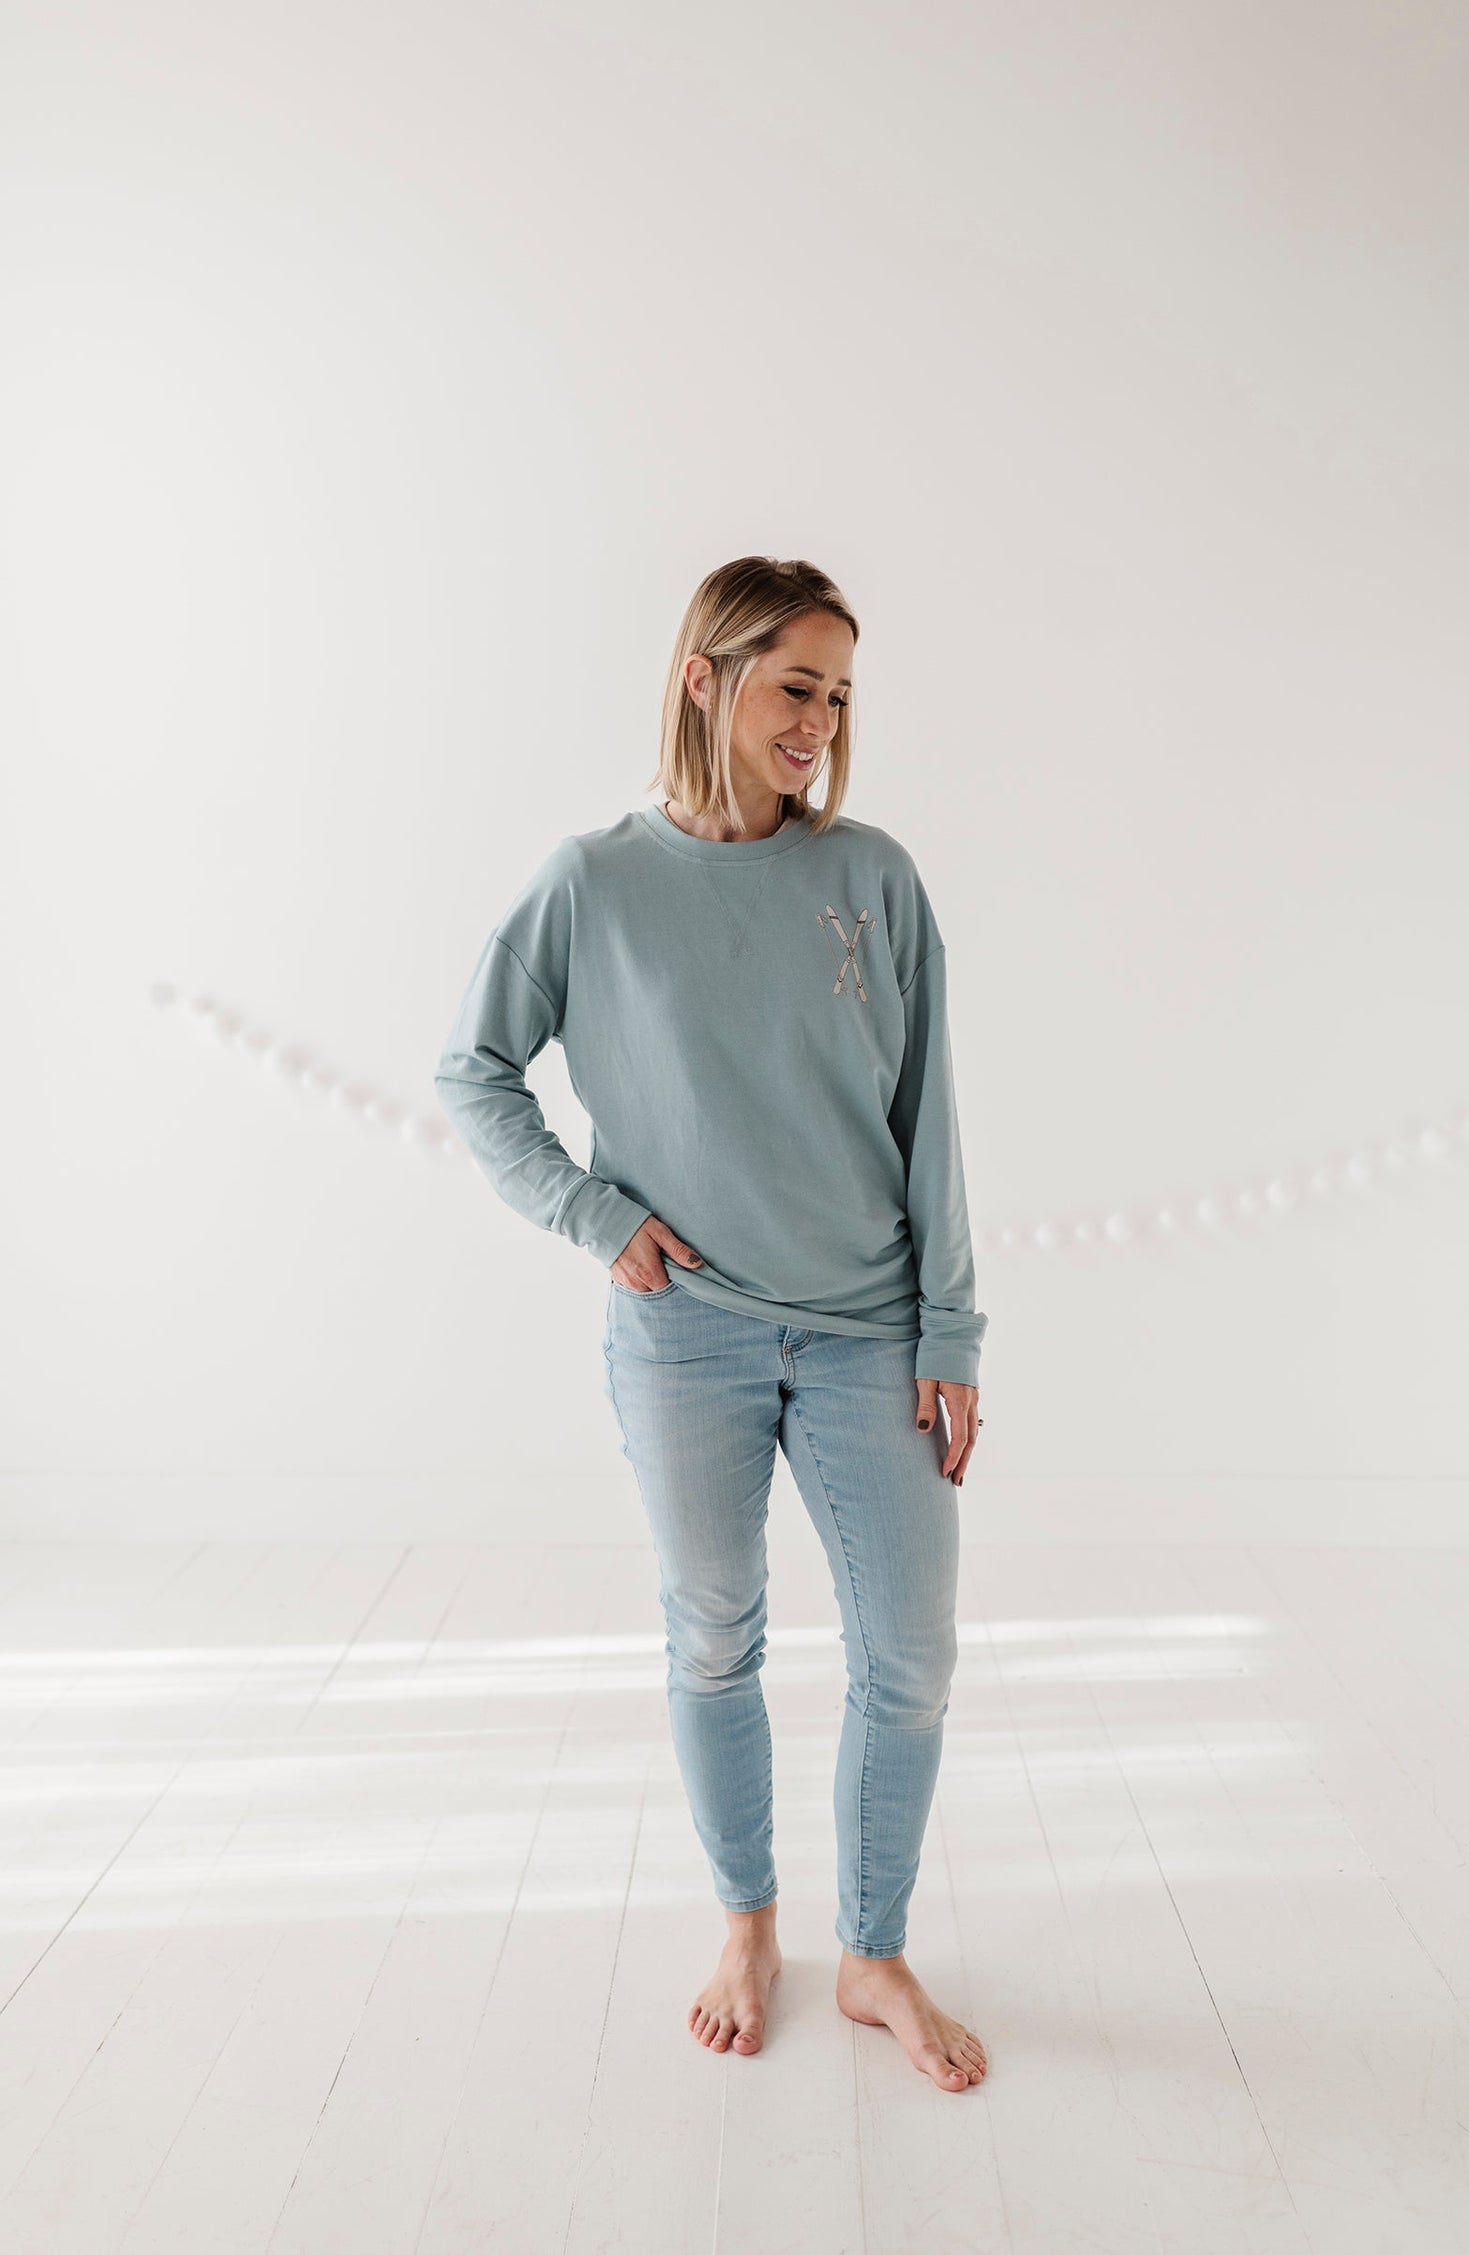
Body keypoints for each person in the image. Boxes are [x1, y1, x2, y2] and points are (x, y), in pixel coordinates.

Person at [434, 555, 989, 2093]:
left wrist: (953, 1331)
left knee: (912, 1656)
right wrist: (593, 1216)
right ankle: (748, 1925)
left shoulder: (874, 878)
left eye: (840, 696)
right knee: (715, 1634)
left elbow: (931, 1118)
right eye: (797, 686)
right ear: (707, 677)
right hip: (686, 1333)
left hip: (872, 1329)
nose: (821, 723)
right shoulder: (593, 882)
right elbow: (473, 1071)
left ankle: (872, 1952)